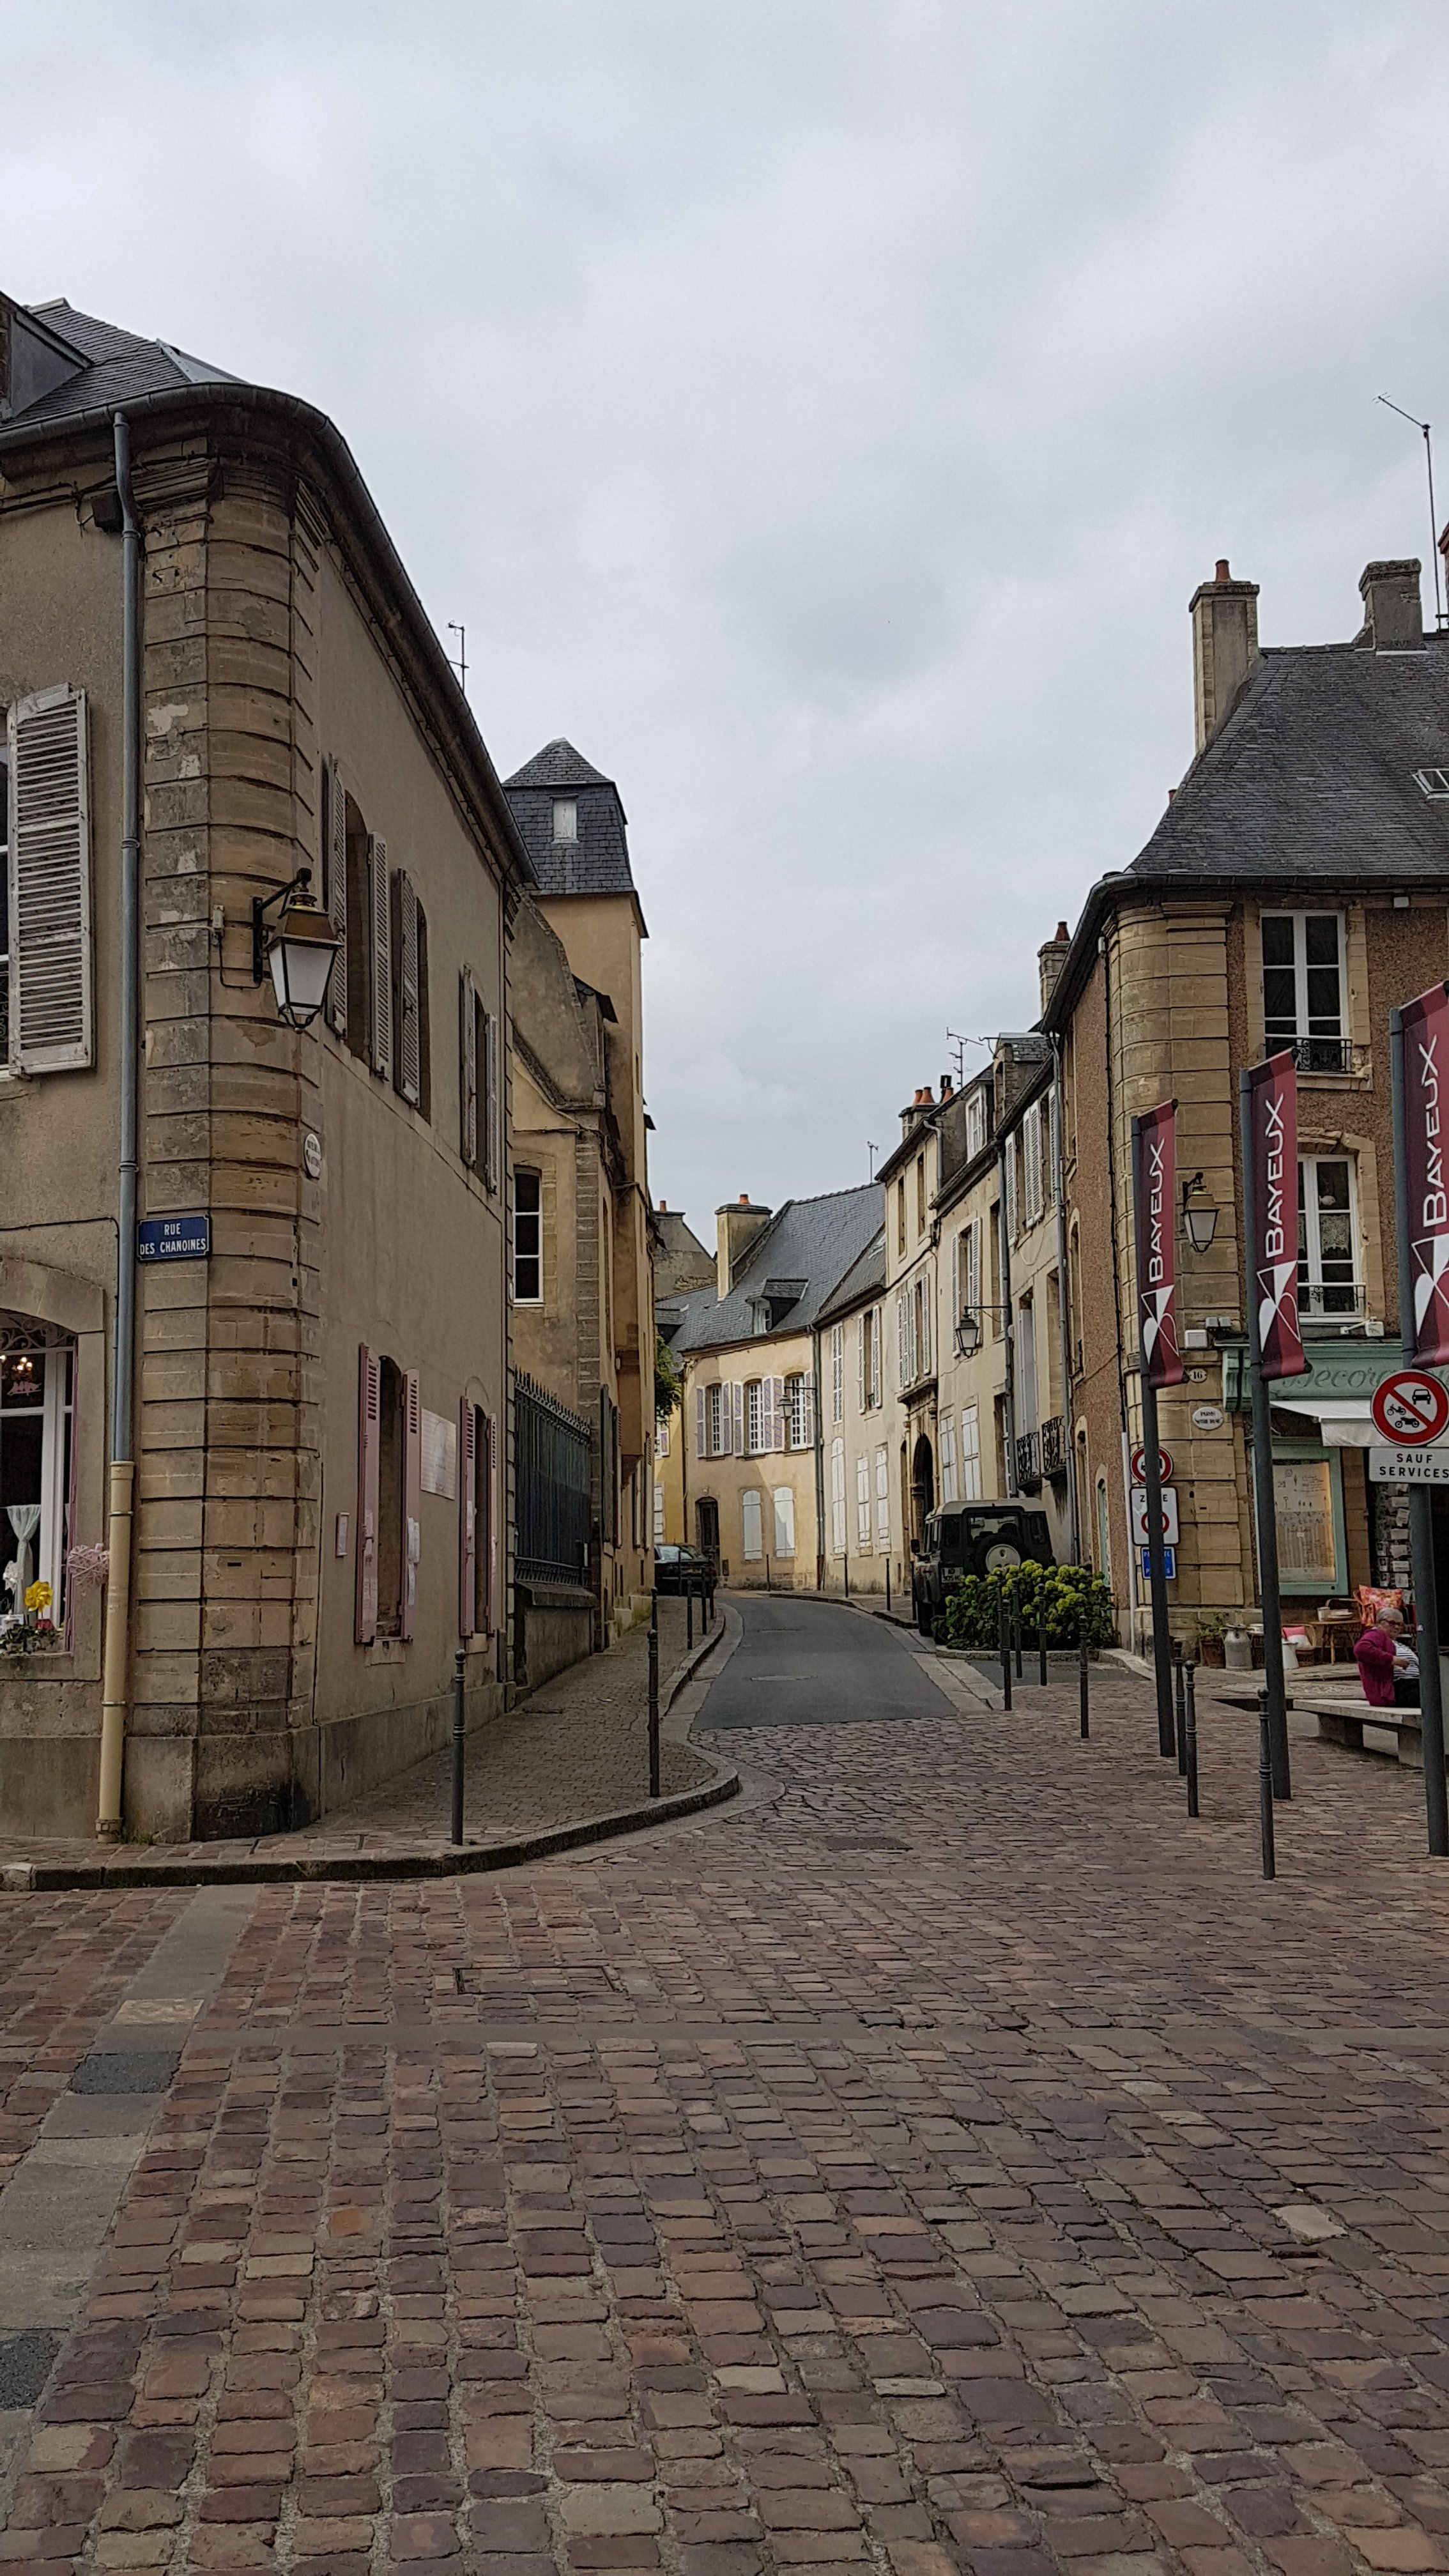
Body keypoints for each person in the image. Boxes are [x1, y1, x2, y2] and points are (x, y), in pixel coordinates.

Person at [1354, 1603, 1420, 1710]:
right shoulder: (1376, 1634)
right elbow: (1361, 1649)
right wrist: (1392, 1659)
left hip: (1413, 1685)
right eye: (1392, 1623)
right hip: (1397, 1689)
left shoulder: (1397, 1643)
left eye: (1400, 1624)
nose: (1397, 1627)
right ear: (1379, 1623)